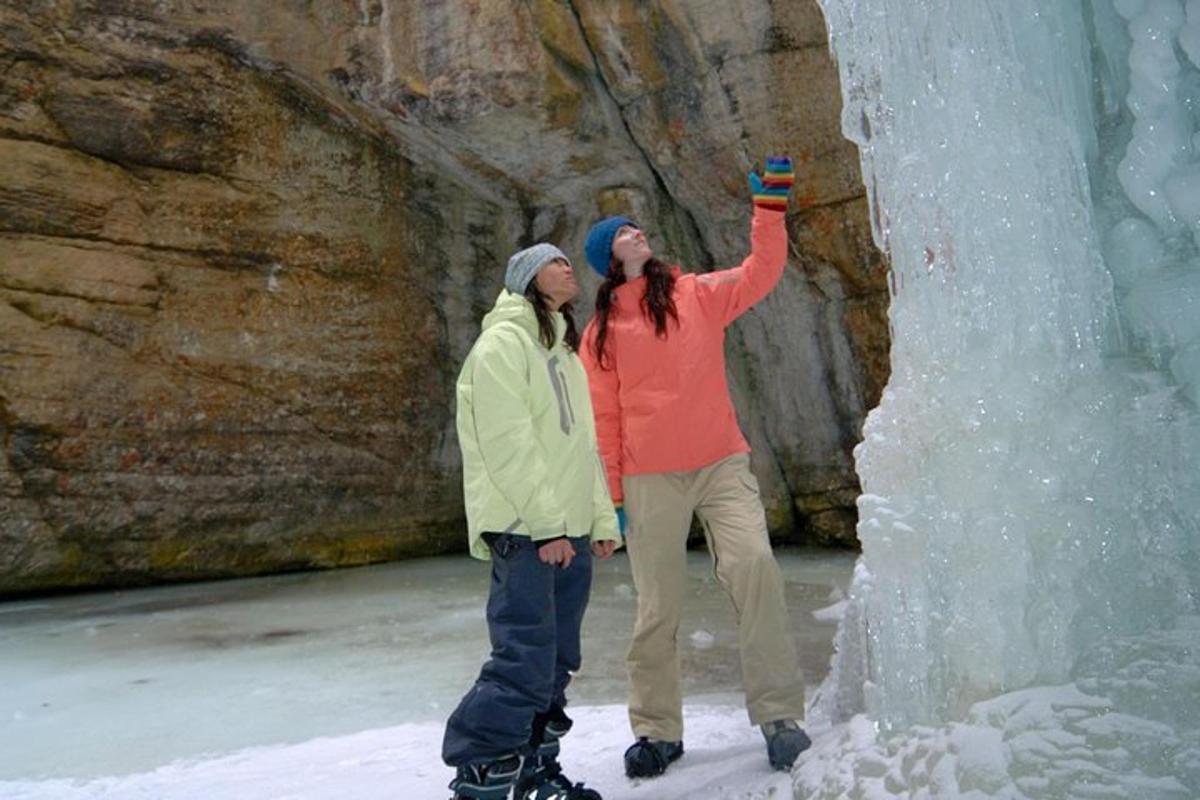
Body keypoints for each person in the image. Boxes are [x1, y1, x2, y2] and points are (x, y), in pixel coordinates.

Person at [579, 157, 812, 777]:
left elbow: (762, 272)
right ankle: (657, 730)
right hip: (649, 478)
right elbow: (604, 421)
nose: (637, 232)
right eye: (623, 232)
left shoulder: (696, 294)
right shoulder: (601, 331)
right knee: (657, 606)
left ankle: (779, 716)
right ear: (610, 257)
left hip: (720, 462)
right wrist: (613, 496)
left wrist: (768, 212)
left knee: (755, 567)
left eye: (637, 226)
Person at [442, 243, 620, 800]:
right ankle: (483, 774)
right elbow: (508, 444)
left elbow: (580, 447)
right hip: (526, 531)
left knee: (557, 658)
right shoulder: (502, 345)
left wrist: (600, 521)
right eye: (554, 262)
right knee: (523, 657)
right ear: (527, 279)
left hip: (565, 532)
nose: (569, 268)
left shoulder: (562, 353)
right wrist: (546, 527)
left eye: (570, 261)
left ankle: (534, 770)